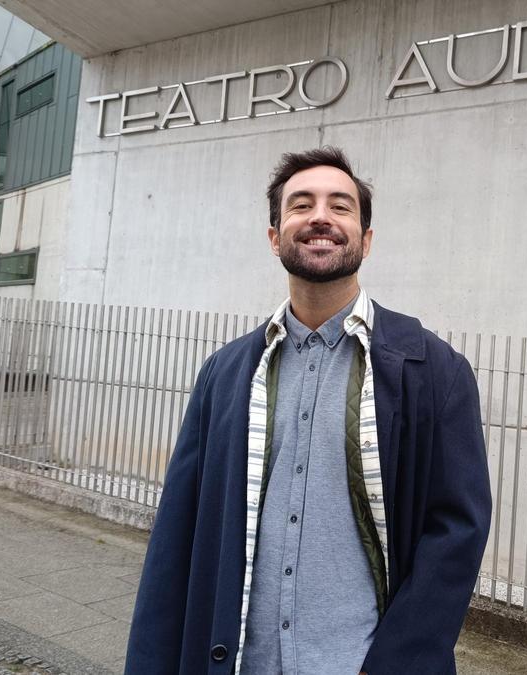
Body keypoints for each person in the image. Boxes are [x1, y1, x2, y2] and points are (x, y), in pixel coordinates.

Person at [125, 147, 492, 674]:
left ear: (366, 239)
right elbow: (176, 537)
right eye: (301, 205)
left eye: (341, 206)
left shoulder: (432, 369)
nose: (321, 216)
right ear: (275, 235)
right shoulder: (225, 374)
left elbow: (457, 534)